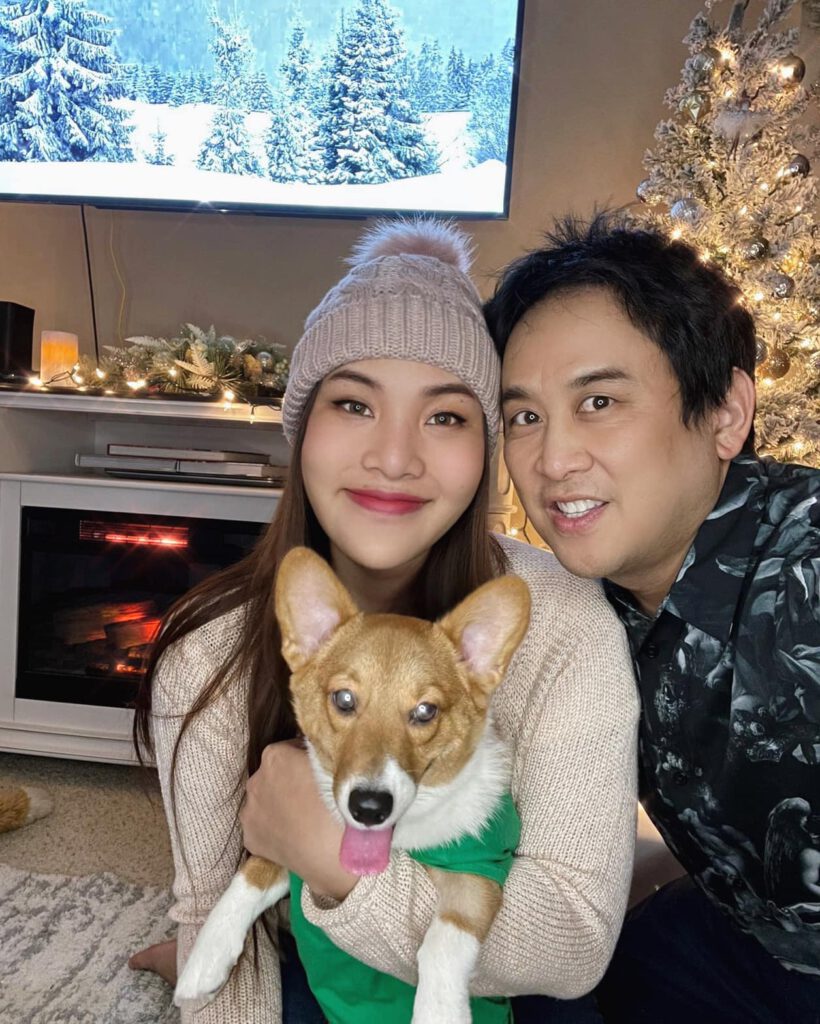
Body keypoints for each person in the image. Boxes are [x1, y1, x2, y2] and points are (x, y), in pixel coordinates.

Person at [130, 218, 639, 1024]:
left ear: (487, 448)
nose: (395, 458)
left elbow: (570, 949)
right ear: (302, 427)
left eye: (446, 416)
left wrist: (331, 861)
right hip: (310, 957)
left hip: (499, 990)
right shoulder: (210, 654)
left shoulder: (564, 619)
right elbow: (214, 918)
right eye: (353, 403)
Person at [484, 213, 820, 1023]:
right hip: (745, 940)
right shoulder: (577, 602)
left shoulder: (803, 577)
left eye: (599, 401)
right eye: (525, 417)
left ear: (726, 413)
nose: (552, 460)